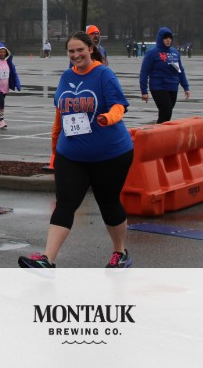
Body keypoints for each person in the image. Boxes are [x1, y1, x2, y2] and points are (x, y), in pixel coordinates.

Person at [19, 30, 135, 269]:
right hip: (71, 155)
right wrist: (54, 147)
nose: (76, 55)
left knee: (108, 203)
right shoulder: (66, 77)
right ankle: (48, 259)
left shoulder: (104, 74)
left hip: (110, 154)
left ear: (91, 49)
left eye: (80, 50)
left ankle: (120, 252)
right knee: (65, 204)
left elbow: (119, 105)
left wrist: (109, 118)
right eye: (71, 51)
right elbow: (60, 114)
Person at [139, 27, 191, 123]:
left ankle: (158, 130)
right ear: (160, 39)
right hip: (158, 86)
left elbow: (180, 71)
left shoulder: (175, 53)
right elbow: (144, 72)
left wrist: (186, 87)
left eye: (170, 38)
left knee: (166, 114)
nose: (168, 40)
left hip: (172, 86)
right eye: (165, 38)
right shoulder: (152, 53)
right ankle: (158, 131)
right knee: (166, 111)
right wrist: (144, 91)